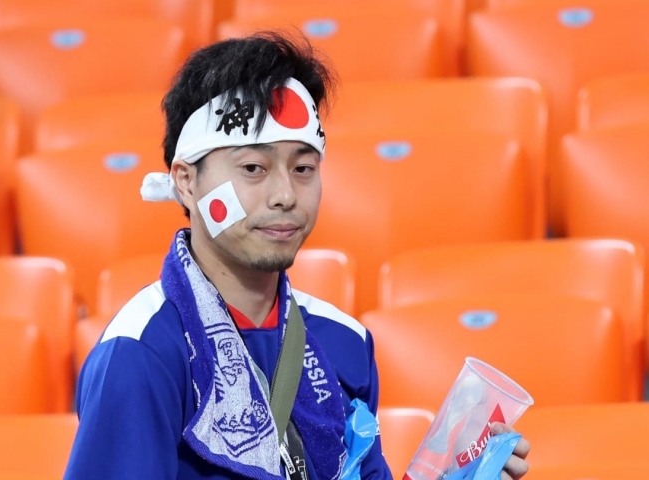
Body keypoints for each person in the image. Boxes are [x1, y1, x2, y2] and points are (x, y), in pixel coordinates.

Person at [63, 31, 531, 480]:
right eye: (253, 168)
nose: (286, 194)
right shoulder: (142, 352)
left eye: (303, 168)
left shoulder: (344, 340)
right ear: (186, 181)